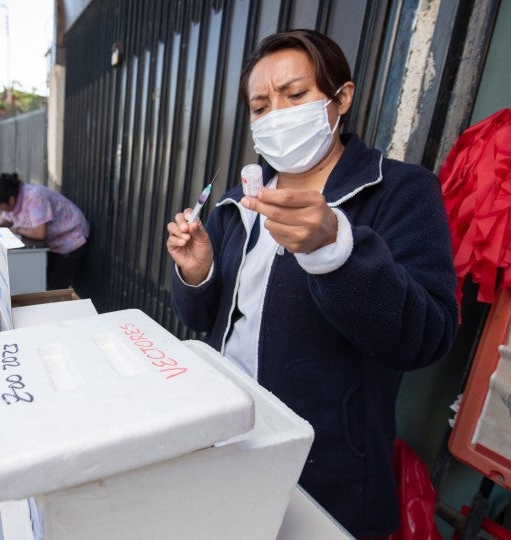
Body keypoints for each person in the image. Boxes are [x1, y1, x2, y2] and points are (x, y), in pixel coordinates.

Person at [166, 29, 458, 538]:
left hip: (326, 466)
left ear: (341, 98)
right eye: (260, 106)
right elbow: (200, 320)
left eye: (295, 95)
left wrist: (334, 249)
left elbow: (427, 335)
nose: (276, 114)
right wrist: (197, 273)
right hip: (226, 437)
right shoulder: (239, 201)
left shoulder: (399, 192)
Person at [0, 172, 90, 290]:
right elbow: (8, 217)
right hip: (52, 243)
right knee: (39, 281)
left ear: (10, 200)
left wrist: (17, 230)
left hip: (72, 238)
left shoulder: (34, 197)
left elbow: (39, 233)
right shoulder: (13, 196)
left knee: (54, 289)